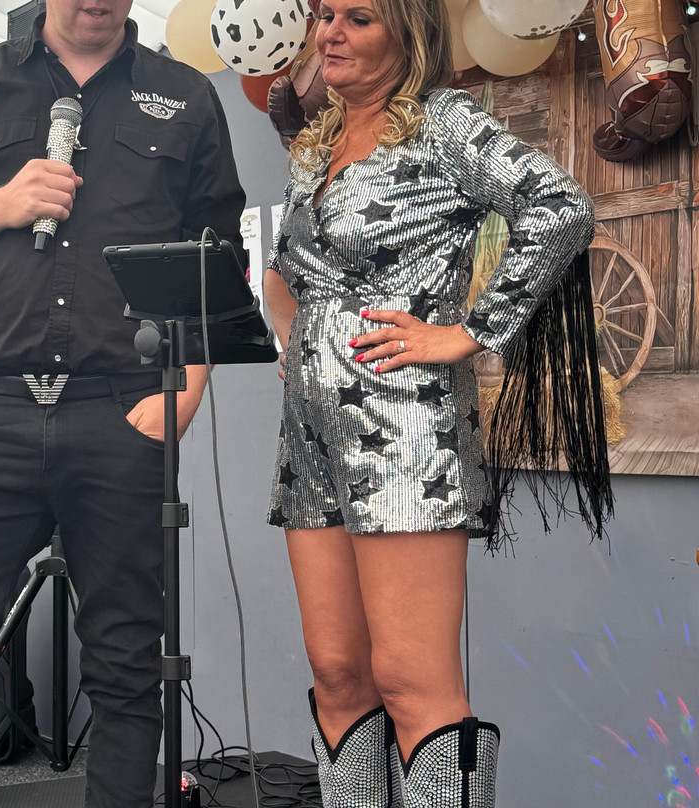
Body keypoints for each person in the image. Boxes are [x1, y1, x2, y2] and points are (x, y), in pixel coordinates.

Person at [0, 0, 246, 805]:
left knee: (127, 669)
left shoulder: (186, 96)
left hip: (123, 412)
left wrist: (185, 392)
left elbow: (218, 263)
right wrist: (2, 203)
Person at [262, 1, 612, 806]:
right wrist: (298, 339)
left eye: (357, 18)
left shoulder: (444, 123)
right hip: (310, 434)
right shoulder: (318, 142)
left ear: (409, 32)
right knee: (337, 671)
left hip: (405, 426)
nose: (329, 33)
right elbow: (287, 271)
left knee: (408, 679)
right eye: (324, 15)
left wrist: (470, 331)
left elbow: (562, 208)